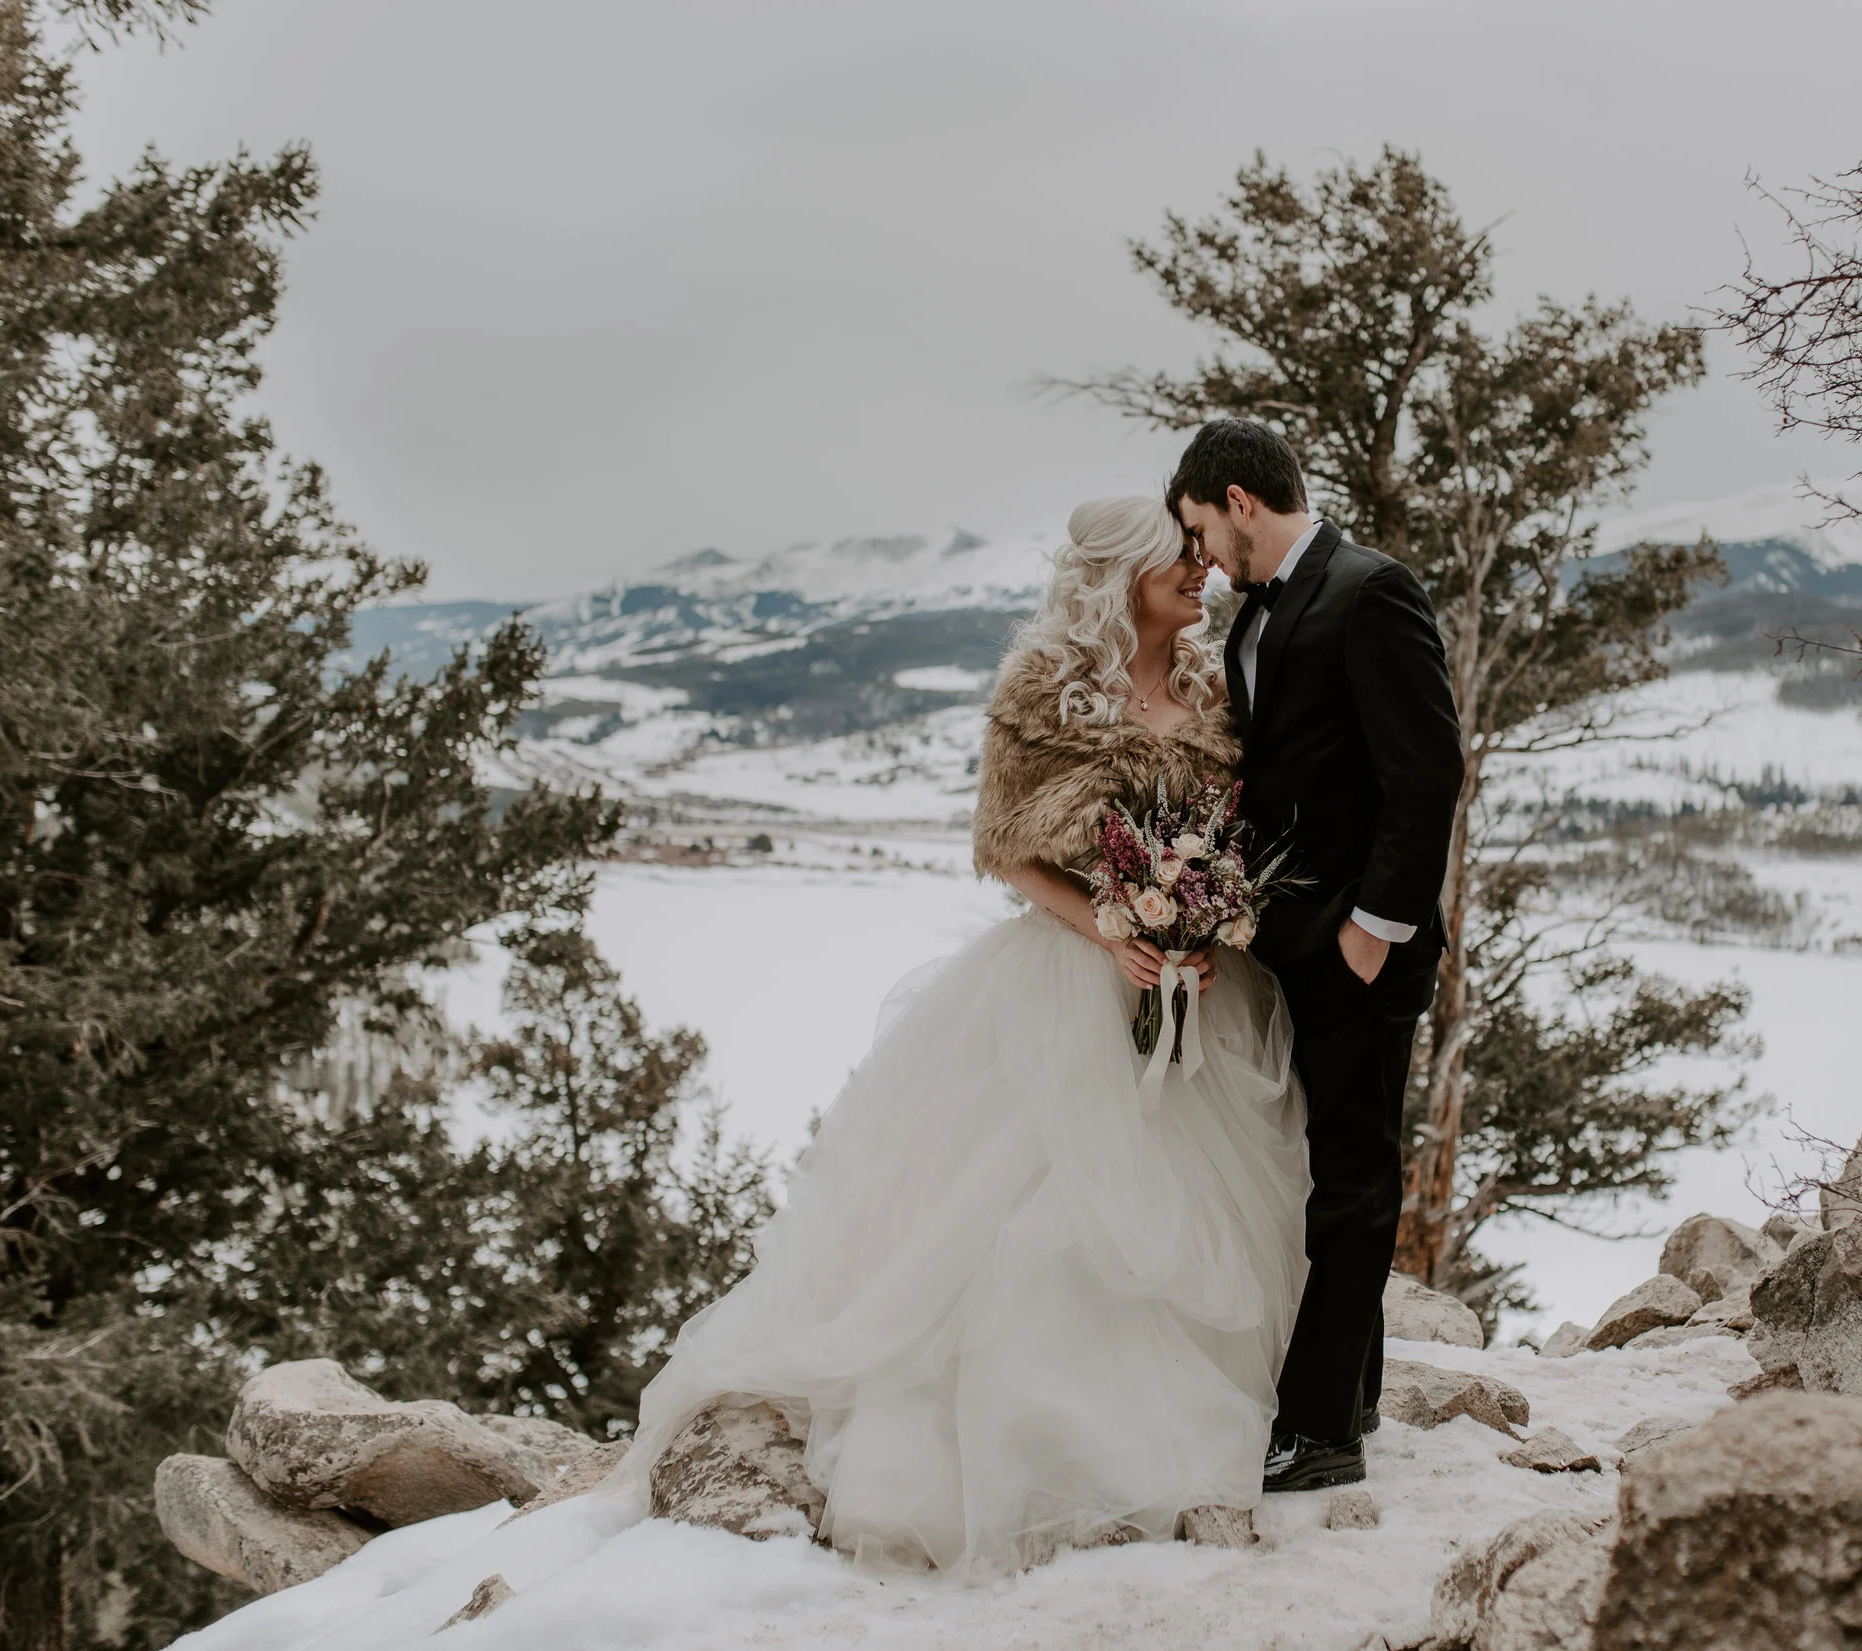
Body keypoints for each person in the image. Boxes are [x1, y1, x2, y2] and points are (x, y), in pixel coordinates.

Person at [600, 496, 1308, 1573]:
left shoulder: (1217, 681)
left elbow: (1238, 826)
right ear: (1120, 573)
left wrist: (1201, 926)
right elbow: (1005, 848)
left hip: (1204, 989)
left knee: (1206, 1215)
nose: (1201, 571)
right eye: (1179, 557)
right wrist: (1116, 927)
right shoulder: (1040, 689)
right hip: (1071, 983)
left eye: (1201, 556)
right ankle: (1053, 1454)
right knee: (1043, 1228)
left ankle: (1240, 1422)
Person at [1170, 419, 1464, 1493]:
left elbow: (1427, 772)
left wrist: (1371, 930)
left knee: (1351, 1179)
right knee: (1324, 1166)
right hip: (1294, 937)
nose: (1201, 559)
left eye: (1202, 532)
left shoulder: (1368, 588)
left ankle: (1317, 1432)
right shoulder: (1267, 609)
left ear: (1240, 500)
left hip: (1360, 946)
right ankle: (1357, 1394)